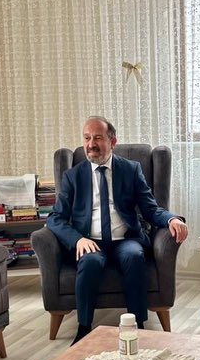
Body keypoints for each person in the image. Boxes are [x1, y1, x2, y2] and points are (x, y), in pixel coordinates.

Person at [47, 116, 188, 344]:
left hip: (125, 238)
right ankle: (84, 328)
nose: (91, 144)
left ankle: (138, 326)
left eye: (98, 138)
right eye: (87, 138)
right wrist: (78, 240)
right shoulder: (73, 176)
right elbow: (55, 218)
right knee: (89, 262)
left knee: (134, 256)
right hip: (90, 240)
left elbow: (151, 208)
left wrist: (172, 219)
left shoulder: (130, 170)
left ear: (112, 142)